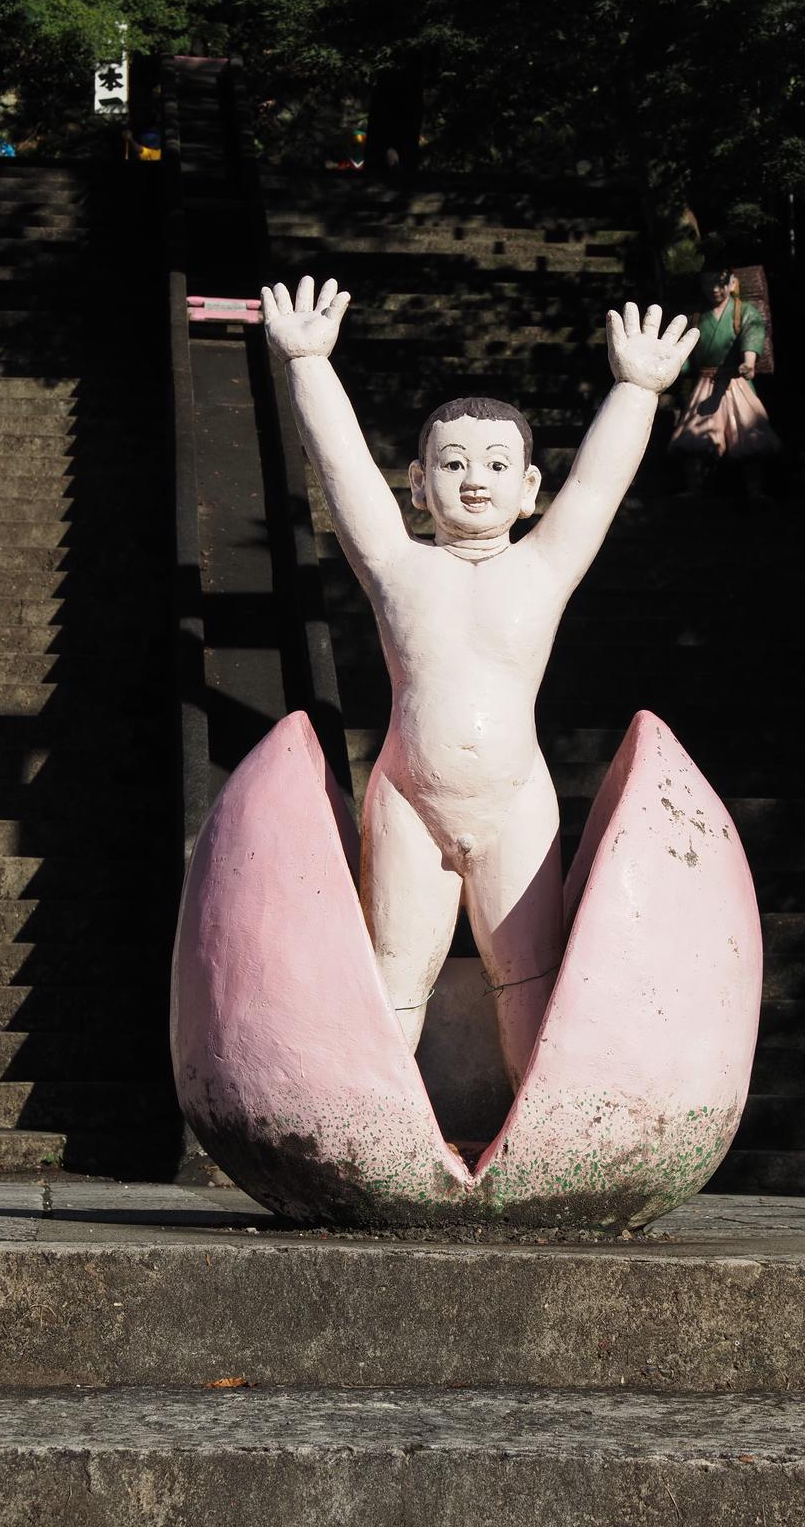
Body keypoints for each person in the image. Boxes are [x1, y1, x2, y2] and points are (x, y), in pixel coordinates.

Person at [263, 277, 697, 1088]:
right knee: (394, 981)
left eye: (498, 464)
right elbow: (345, 471)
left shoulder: (542, 568)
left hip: (514, 801)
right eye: (453, 462)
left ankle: (535, 1135)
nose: (474, 479)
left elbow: (595, 489)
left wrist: (637, 390)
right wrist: (308, 365)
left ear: (528, 489)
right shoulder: (398, 568)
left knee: (530, 984)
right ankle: (376, 1128)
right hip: (408, 799)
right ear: (417, 483)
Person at [669, 267, 780, 502]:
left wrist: (749, 361)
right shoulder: (696, 316)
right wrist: (673, 367)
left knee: (750, 436)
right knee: (693, 438)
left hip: (736, 382)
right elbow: (686, 356)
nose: (715, 289)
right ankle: (695, 488)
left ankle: (755, 491)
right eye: (709, 283)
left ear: (732, 284)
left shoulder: (744, 311)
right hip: (706, 383)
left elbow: (752, 334)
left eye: (720, 283)